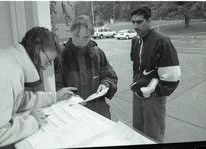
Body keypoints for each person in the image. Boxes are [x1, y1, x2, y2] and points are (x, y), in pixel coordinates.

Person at [129, 6, 181, 142]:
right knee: (137, 131)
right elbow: (136, 67)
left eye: (139, 22)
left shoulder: (162, 40)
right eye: (133, 22)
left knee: (153, 135)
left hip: (153, 97)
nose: (135, 25)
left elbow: (172, 75)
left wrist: (154, 91)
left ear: (149, 20)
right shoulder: (135, 40)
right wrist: (136, 85)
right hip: (137, 94)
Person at [55, 15, 118, 119]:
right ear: (71, 32)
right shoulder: (60, 55)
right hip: (71, 112)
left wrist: (105, 84)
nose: (80, 41)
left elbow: (110, 76)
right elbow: (55, 86)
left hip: (98, 111)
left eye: (86, 37)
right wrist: (67, 97)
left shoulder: (98, 53)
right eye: (77, 35)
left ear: (91, 35)